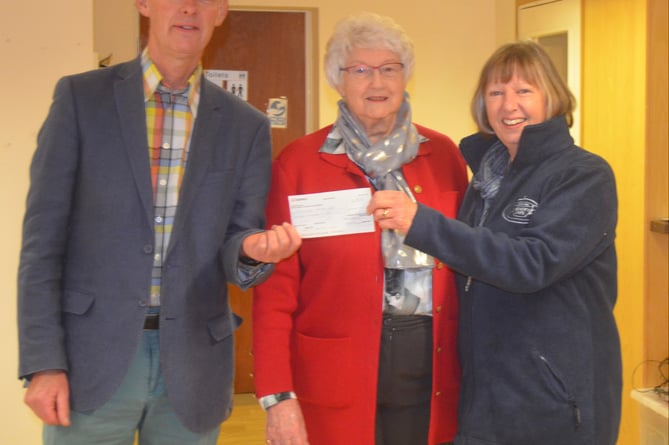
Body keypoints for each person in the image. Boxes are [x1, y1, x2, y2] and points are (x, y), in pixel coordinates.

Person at [17, 0, 301, 444]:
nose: (189, 8)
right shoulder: (80, 99)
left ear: (222, 11)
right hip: (90, 362)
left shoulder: (247, 126)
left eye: (205, 0)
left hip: (193, 369)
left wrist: (252, 252)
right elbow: (42, 242)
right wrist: (43, 362)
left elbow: (237, 239)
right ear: (144, 4)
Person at [368, 40, 622, 445]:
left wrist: (422, 223)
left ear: (552, 97)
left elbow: (531, 264)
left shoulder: (584, 175)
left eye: (524, 91)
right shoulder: (489, 177)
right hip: (486, 394)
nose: (509, 105)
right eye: (496, 92)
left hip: (555, 400)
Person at [252, 12, 468, 445]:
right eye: (361, 71)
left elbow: (468, 258)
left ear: (405, 77)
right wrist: (277, 396)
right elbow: (275, 291)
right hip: (333, 372)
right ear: (338, 79)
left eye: (390, 68)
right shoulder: (299, 163)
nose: (378, 83)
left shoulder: (442, 155)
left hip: (433, 363)